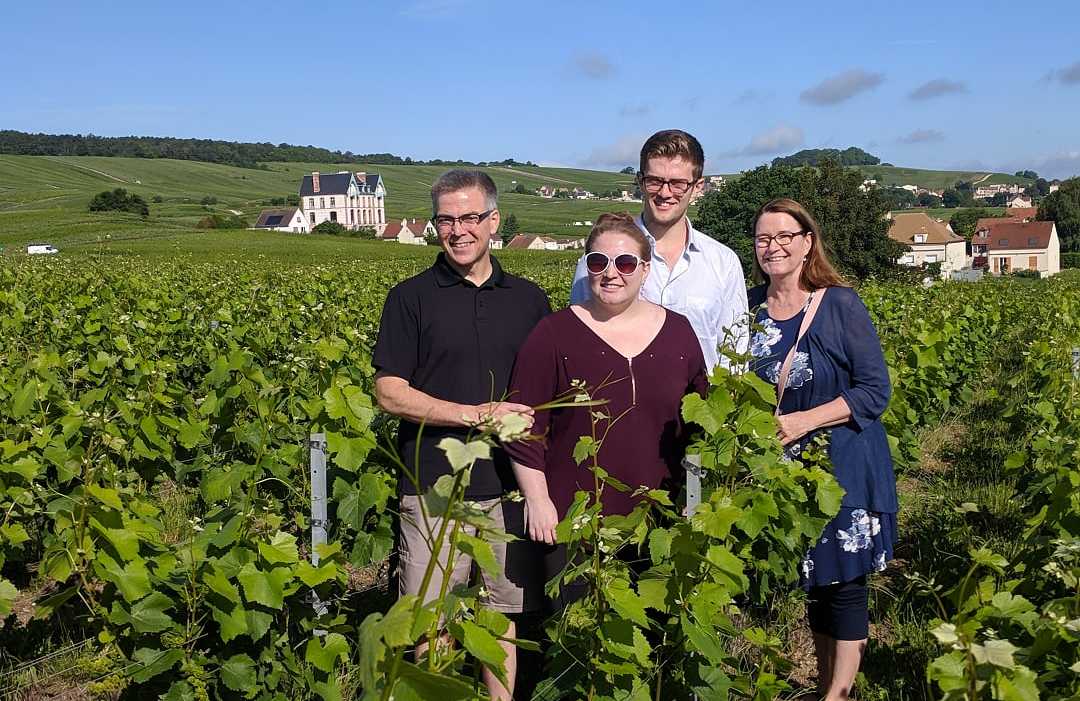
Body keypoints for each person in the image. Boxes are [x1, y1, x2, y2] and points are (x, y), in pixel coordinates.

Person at [372, 170, 551, 700]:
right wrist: (472, 415)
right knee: (432, 620)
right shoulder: (410, 298)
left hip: (510, 486)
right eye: (446, 219)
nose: (458, 230)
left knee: (501, 618)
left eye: (469, 217)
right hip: (432, 488)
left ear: (493, 222)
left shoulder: (529, 300)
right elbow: (389, 392)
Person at [506, 212, 707, 606]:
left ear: (645, 270)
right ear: (586, 267)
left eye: (626, 262)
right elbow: (523, 422)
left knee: (652, 636)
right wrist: (538, 499)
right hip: (574, 518)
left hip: (658, 518)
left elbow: (697, 425)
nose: (611, 273)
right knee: (576, 636)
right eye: (598, 262)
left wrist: (695, 501)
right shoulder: (553, 333)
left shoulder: (679, 333)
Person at [746, 198, 897, 701]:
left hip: (846, 468)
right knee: (812, 581)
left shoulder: (839, 304)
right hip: (786, 477)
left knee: (846, 585)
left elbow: (875, 391)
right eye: (765, 238)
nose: (775, 247)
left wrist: (804, 420)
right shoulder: (748, 309)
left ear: (807, 242)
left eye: (786, 236)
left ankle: (838, 693)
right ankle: (823, 683)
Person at [570, 129, 748, 370]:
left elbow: (734, 358)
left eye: (677, 184)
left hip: (700, 406)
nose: (665, 193)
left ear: (698, 187)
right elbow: (579, 340)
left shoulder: (723, 263)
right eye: (655, 181)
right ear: (640, 181)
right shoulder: (599, 260)